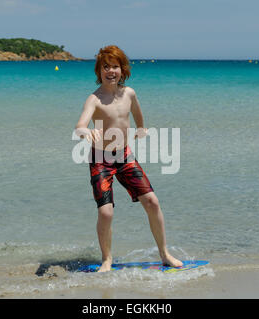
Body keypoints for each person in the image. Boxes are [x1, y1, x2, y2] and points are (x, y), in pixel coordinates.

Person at [74, 45, 183, 272]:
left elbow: (136, 113)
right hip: (101, 160)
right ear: (99, 71)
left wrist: (142, 128)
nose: (110, 71)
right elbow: (80, 126)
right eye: (106, 67)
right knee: (106, 212)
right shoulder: (94, 99)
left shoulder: (129, 93)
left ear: (122, 70)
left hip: (125, 157)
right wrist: (85, 133)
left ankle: (164, 254)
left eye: (115, 66)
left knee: (152, 202)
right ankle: (107, 259)